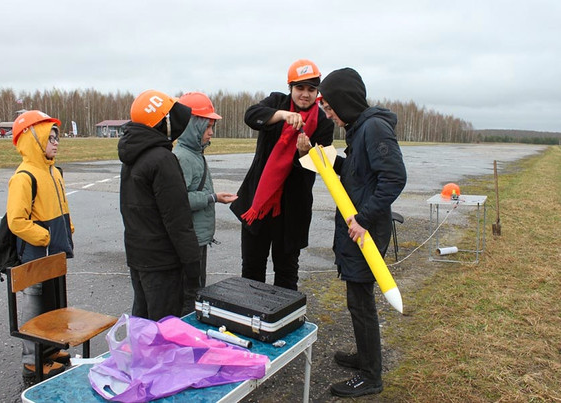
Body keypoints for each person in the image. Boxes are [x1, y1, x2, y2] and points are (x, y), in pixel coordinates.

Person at [318, 67, 407, 398]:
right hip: (359, 227)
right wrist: (327, 160)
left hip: (366, 231)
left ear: (345, 101)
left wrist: (364, 219)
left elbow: (394, 178)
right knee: (356, 298)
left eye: (330, 108)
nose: (329, 115)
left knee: (360, 300)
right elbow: (358, 176)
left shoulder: (374, 128)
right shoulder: (360, 130)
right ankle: (364, 357)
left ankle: (371, 375)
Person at [230, 59, 334, 290]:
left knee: (286, 273)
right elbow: (251, 116)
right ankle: (251, 312)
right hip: (258, 202)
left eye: (311, 89)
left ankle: (284, 314)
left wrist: (303, 154)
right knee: (251, 270)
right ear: (290, 87)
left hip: (293, 209)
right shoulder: (277, 102)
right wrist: (282, 115)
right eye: (300, 88)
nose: (305, 94)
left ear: (317, 92)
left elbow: (318, 167)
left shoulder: (324, 123)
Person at [118, 89, 201, 322]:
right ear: (162, 121)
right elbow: (178, 219)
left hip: (139, 256)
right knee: (163, 326)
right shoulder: (162, 159)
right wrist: (192, 265)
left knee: (142, 320)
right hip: (162, 262)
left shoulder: (133, 155)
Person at [7, 110, 75, 379]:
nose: (56, 143)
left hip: (54, 252)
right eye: (50, 138)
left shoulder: (53, 172)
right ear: (33, 140)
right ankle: (32, 359)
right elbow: (16, 220)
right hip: (37, 254)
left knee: (53, 302)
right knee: (35, 305)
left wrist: (67, 228)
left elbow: (62, 205)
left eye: (57, 138)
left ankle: (50, 349)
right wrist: (45, 237)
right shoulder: (24, 177)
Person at [173, 92, 238, 314]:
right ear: (192, 126)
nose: (211, 132)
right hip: (190, 240)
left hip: (198, 239)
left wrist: (215, 196)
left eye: (212, 127)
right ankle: (185, 331)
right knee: (189, 295)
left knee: (195, 289)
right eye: (207, 127)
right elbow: (179, 200)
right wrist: (213, 197)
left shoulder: (194, 153)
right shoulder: (183, 157)